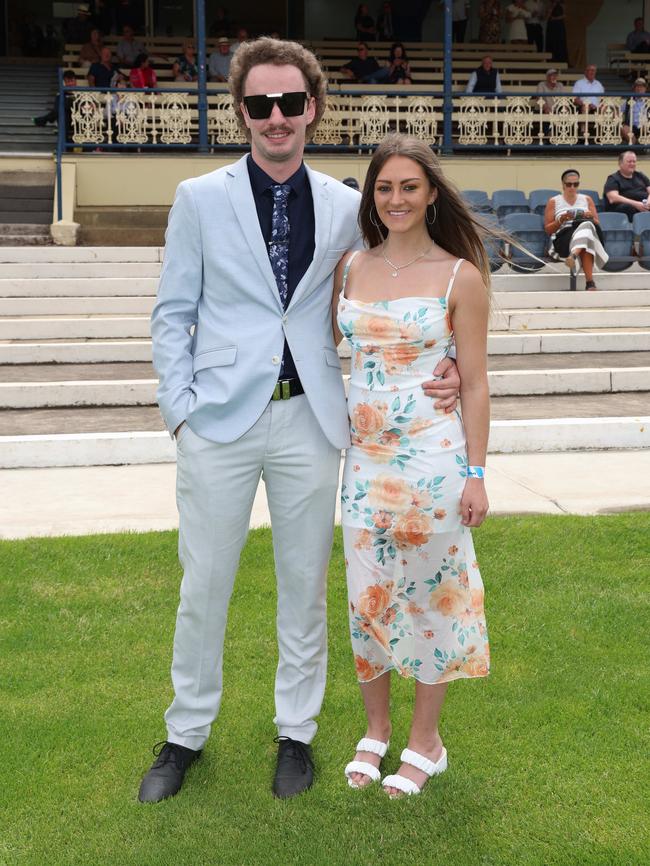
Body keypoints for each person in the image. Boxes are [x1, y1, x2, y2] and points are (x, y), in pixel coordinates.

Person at [141, 36, 460, 806]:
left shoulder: (348, 205)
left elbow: (397, 280)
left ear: (312, 106)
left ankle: (297, 734)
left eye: (289, 102)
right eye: (260, 104)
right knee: (204, 584)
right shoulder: (199, 198)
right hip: (217, 422)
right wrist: (180, 413)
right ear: (241, 111)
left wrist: (445, 359)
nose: (276, 117)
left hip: (314, 422)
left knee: (305, 587)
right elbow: (170, 313)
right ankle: (185, 735)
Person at [334, 133, 490, 798]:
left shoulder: (461, 276)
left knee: (433, 600)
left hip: (433, 462)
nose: (395, 199)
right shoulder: (349, 267)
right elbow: (324, 351)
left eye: (409, 187)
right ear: (372, 196)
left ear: (430, 196)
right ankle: (376, 729)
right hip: (365, 466)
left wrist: (478, 473)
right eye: (384, 187)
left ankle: (427, 741)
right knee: (367, 597)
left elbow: (477, 381)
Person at [545, 170, 607, 291]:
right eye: (569, 184)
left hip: (584, 233)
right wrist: (561, 220)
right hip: (565, 237)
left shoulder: (587, 199)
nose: (572, 187)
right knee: (586, 237)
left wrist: (590, 217)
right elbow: (548, 229)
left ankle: (573, 255)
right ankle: (590, 283)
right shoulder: (554, 201)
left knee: (587, 226)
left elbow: (597, 223)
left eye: (575, 184)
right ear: (563, 185)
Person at [604, 150, 650, 220]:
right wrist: (636, 204)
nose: (632, 164)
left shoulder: (640, 175)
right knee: (628, 207)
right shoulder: (613, 178)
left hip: (644, 206)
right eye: (629, 161)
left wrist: (648, 203)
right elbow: (613, 198)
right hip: (624, 210)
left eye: (634, 161)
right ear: (620, 163)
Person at [32, 69, 77, 139]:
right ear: (64, 83)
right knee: (63, 112)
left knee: (62, 108)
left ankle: (45, 119)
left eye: (72, 81)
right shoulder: (61, 94)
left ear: (75, 81)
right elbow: (57, 109)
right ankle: (46, 119)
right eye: (68, 81)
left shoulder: (82, 92)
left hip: (79, 119)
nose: (70, 84)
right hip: (66, 119)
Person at [621, 78, 648, 145]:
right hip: (631, 126)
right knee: (623, 128)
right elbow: (619, 110)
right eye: (637, 86)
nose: (639, 88)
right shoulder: (629, 101)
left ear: (645, 89)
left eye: (641, 86)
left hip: (645, 126)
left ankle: (642, 146)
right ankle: (634, 146)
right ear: (634, 88)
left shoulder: (648, 101)